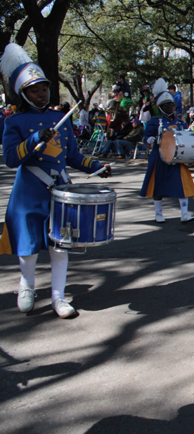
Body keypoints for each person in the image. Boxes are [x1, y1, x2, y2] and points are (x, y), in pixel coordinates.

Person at [0, 43, 111, 318]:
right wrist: (36, 139)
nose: (41, 94)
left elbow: (72, 155)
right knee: (27, 247)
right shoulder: (14, 122)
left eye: (44, 88)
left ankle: (58, 297)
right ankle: (27, 286)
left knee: (60, 245)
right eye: (34, 90)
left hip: (60, 190)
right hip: (28, 192)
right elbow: (12, 159)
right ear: (23, 93)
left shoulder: (59, 118)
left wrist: (96, 165)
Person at [139, 79, 194, 223]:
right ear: (160, 107)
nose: (170, 107)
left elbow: (186, 136)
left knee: (182, 184)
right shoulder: (155, 121)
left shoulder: (179, 122)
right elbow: (144, 136)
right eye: (166, 105)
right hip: (159, 157)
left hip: (177, 157)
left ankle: (184, 214)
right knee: (158, 185)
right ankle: (158, 213)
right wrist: (151, 140)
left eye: (171, 104)